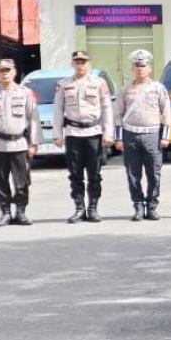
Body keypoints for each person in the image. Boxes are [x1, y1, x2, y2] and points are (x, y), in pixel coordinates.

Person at [54, 50, 114, 223]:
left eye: (83, 62)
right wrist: (57, 134)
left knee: (94, 174)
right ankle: (79, 208)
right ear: (72, 64)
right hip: (73, 133)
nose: (80, 65)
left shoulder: (99, 83)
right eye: (77, 62)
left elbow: (107, 108)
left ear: (89, 64)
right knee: (75, 174)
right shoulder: (63, 84)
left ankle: (93, 208)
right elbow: (58, 109)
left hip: (93, 133)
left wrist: (108, 133)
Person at [0, 59, 41, 227]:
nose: (5, 73)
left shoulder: (25, 93)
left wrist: (34, 143)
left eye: (8, 70)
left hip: (19, 144)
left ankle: (20, 212)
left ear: (14, 72)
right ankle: (5, 212)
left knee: (21, 180)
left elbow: (33, 119)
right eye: (1, 70)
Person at [114, 49, 171, 222]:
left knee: (154, 174)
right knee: (133, 174)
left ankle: (152, 206)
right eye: (137, 65)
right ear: (132, 68)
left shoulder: (158, 88)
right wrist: (118, 138)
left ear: (149, 68)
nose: (140, 68)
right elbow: (118, 113)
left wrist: (165, 136)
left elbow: (166, 112)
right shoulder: (125, 89)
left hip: (153, 136)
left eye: (143, 65)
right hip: (130, 135)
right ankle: (138, 206)